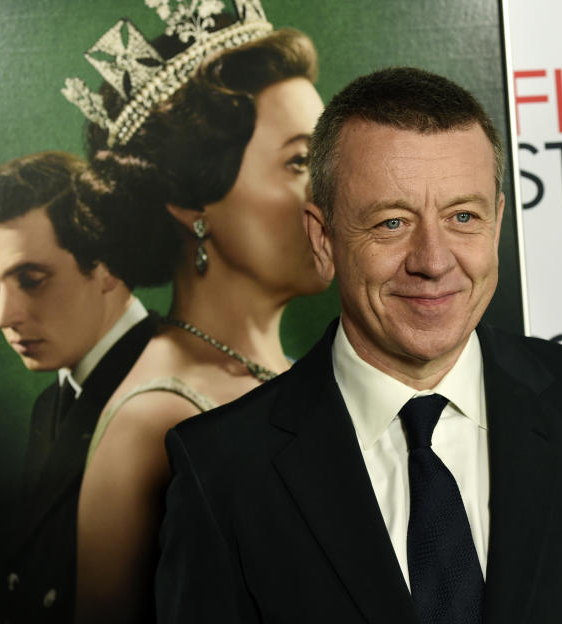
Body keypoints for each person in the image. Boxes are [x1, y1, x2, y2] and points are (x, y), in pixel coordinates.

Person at [154, 67, 562, 623]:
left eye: (463, 217)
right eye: (392, 223)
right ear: (323, 241)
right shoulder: (221, 471)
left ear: (496, 226)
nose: (433, 261)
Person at [61, 2, 328, 621]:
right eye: (298, 161)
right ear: (190, 201)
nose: (333, 188)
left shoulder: (292, 371)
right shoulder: (152, 421)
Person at [0, 150, 157, 624]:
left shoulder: (167, 391)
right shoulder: (53, 402)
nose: (5, 317)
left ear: (107, 264)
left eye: (31, 280)